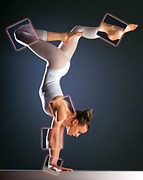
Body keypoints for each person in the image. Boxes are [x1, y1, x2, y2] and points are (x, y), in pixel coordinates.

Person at [14, 21, 137, 171]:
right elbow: (53, 137)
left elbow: (57, 137)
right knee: (20, 34)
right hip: (57, 64)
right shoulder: (62, 110)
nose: (77, 135)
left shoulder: (63, 115)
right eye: (79, 131)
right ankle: (64, 35)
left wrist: (54, 164)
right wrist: (51, 163)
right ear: (74, 122)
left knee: (78, 30)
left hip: (61, 66)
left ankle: (109, 29)